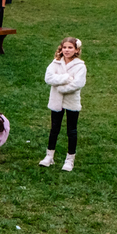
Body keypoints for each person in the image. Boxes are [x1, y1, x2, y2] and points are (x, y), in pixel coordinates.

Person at [40, 37, 86, 171]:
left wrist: (61, 88)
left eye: (70, 47)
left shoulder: (80, 66)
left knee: (71, 130)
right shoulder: (55, 63)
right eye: (65, 47)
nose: (67, 50)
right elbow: (48, 78)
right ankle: (49, 156)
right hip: (56, 101)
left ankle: (70, 159)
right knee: (54, 129)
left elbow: (78, 83)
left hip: (71, 101)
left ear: (76, 50)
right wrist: (65, 78)